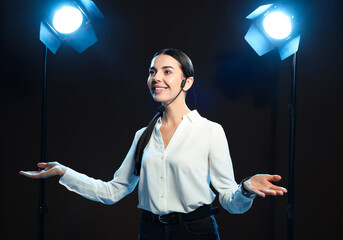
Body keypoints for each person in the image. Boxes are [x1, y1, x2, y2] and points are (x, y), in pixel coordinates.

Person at [20, 48, 287, 240]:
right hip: (150, 231)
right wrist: (63, 172)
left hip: (196, 232)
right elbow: (113, 191)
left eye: (167, 71)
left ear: (187, 82)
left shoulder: (210, 131)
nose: (156, 78)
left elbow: (230, 201)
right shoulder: (142, 136)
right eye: (152, 72)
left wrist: (246, 189)